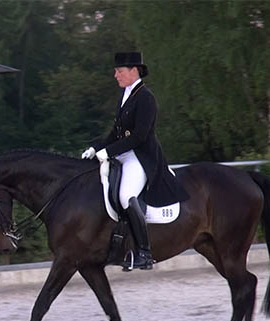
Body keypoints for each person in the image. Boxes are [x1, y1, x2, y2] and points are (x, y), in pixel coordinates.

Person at [81, 52, 189, 270]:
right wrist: (97, 148)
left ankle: (144, 253)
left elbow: (139, 137)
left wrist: (109, 152)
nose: (115, 75)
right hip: (124, 153)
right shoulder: (126, 95)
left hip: (141, 156)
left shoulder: (146, 97)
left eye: (119, 71)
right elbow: (116, 132)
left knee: (125, 195)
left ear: (134, 71)